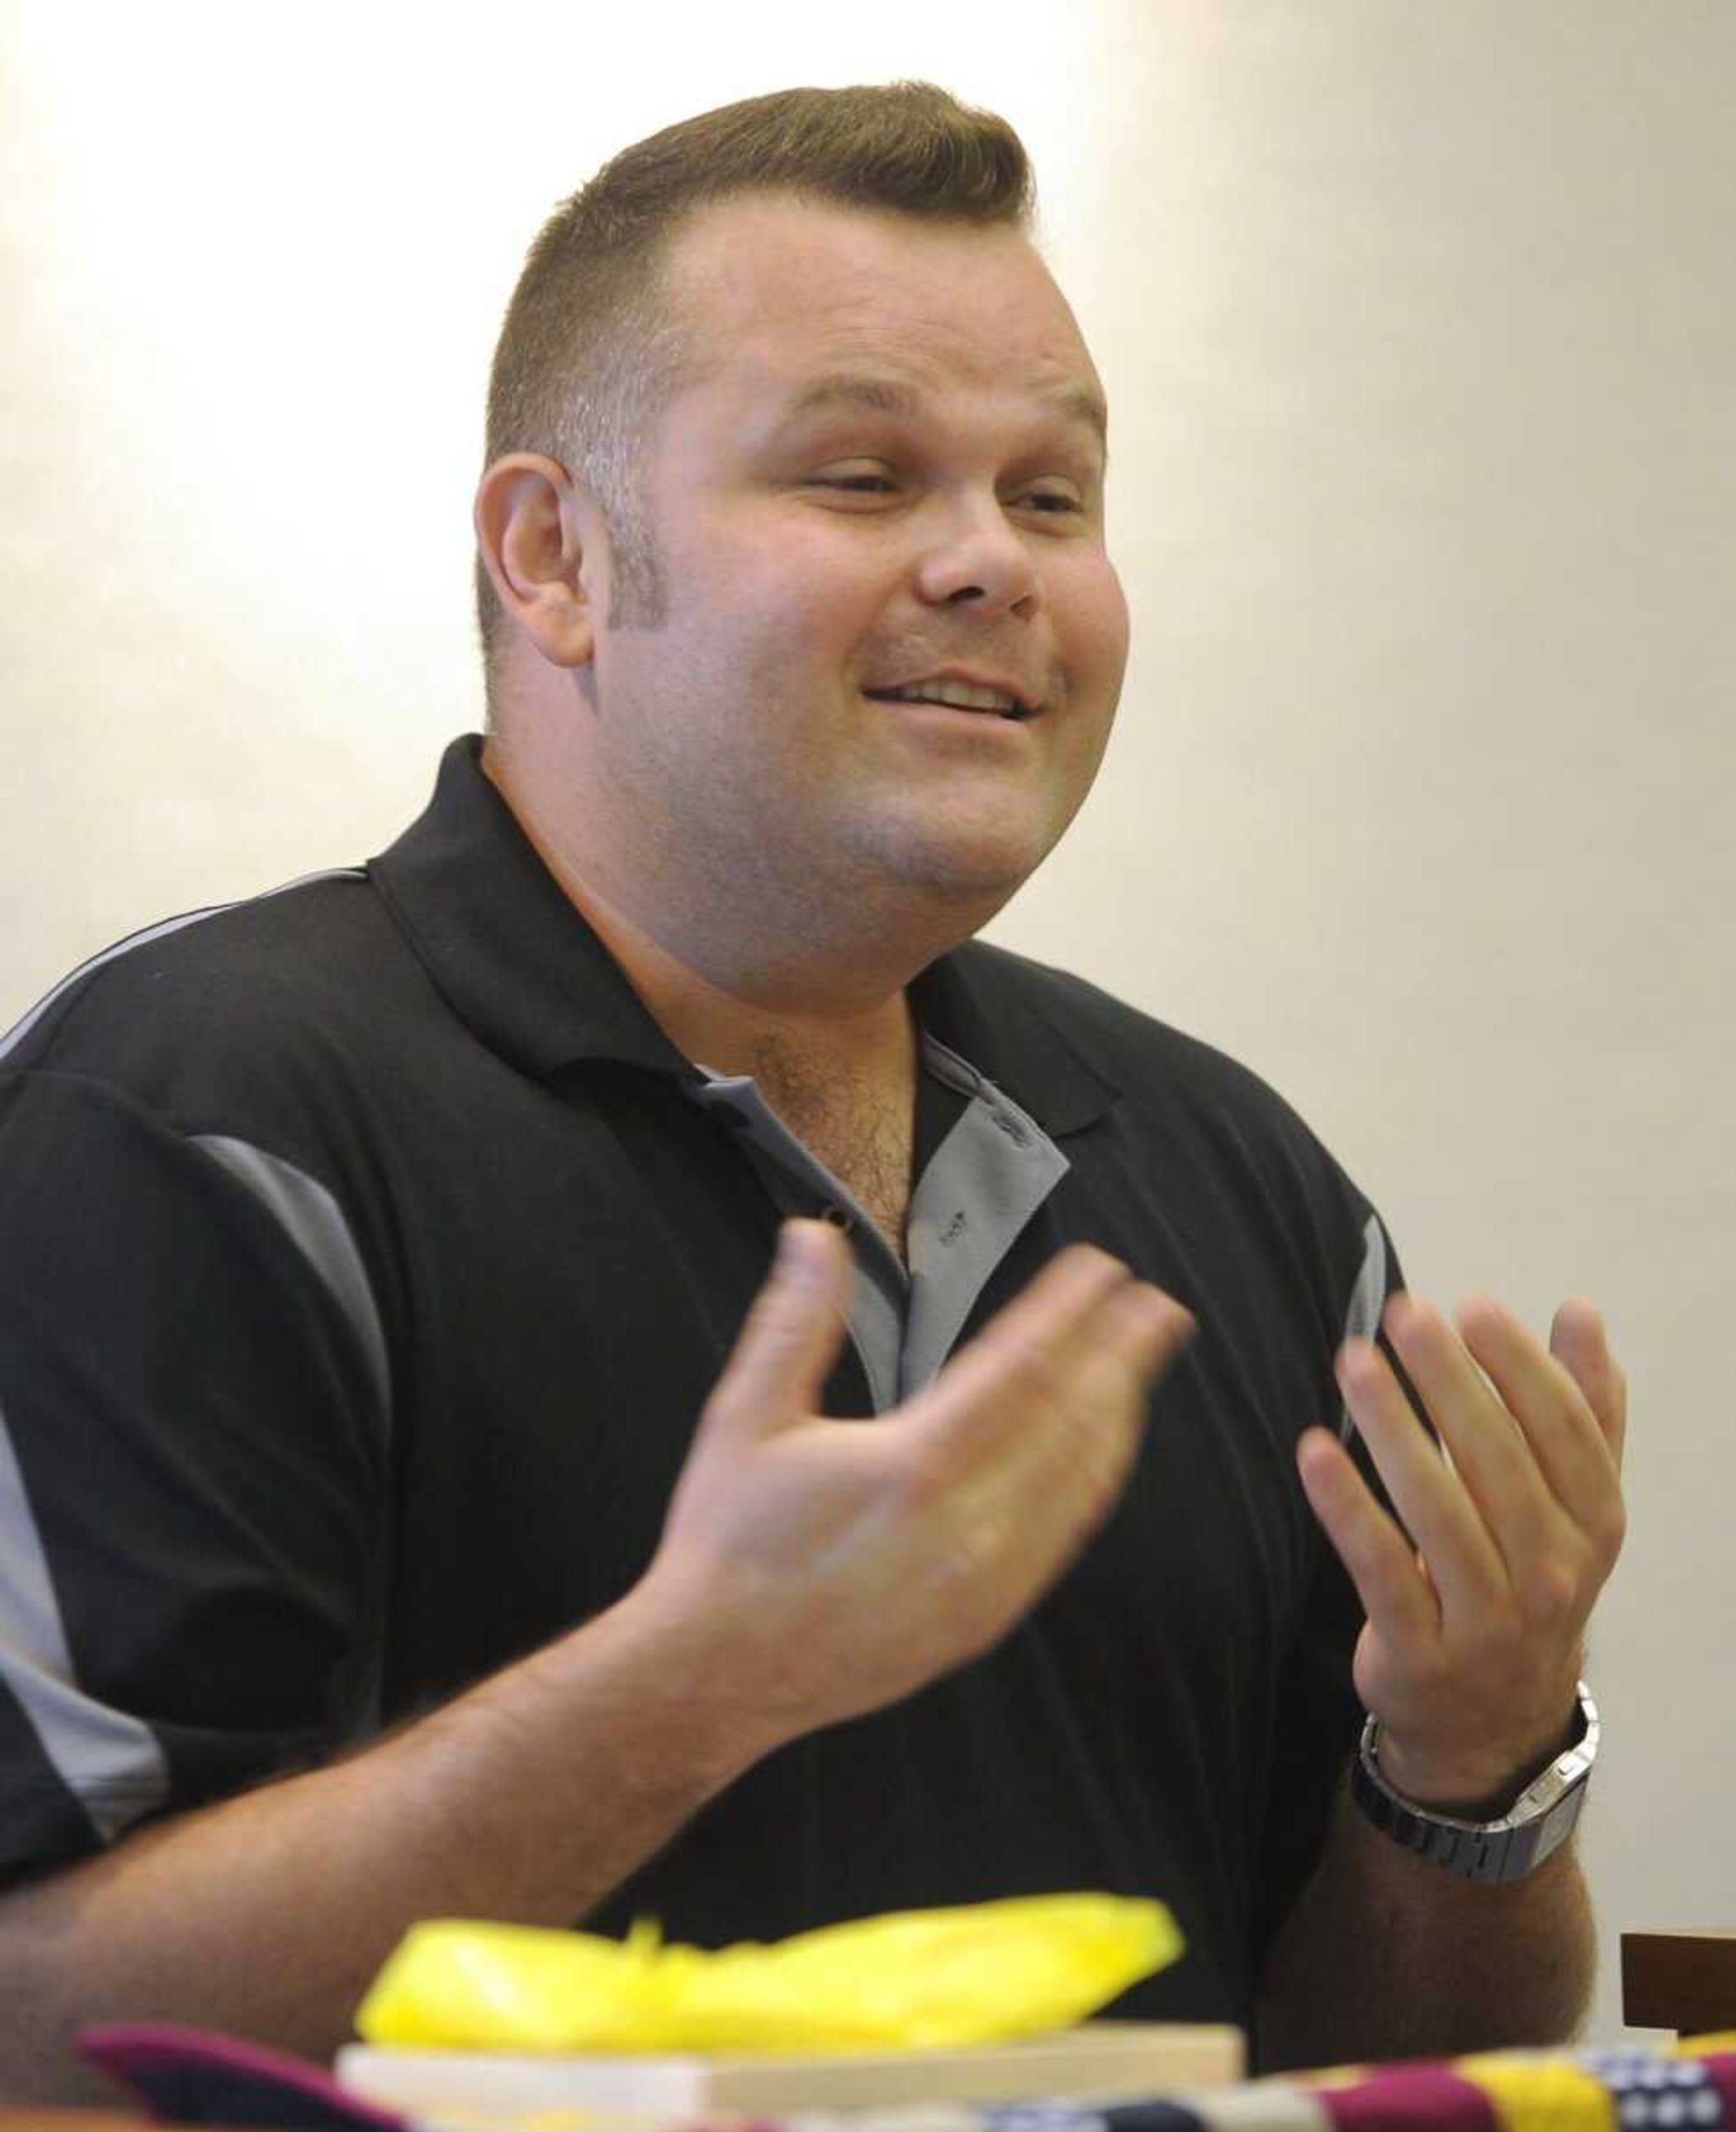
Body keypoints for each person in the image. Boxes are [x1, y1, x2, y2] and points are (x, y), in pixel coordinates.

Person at [0, 82, 1626, 2101]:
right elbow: (32, 2024)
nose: (991, 568)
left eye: (1052, 499)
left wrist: (1464, 1764)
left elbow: (1366, 2062)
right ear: (554, 556)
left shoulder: (1242, 1184)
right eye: (864, 479)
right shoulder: (195, 1117)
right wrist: (684, 1689)